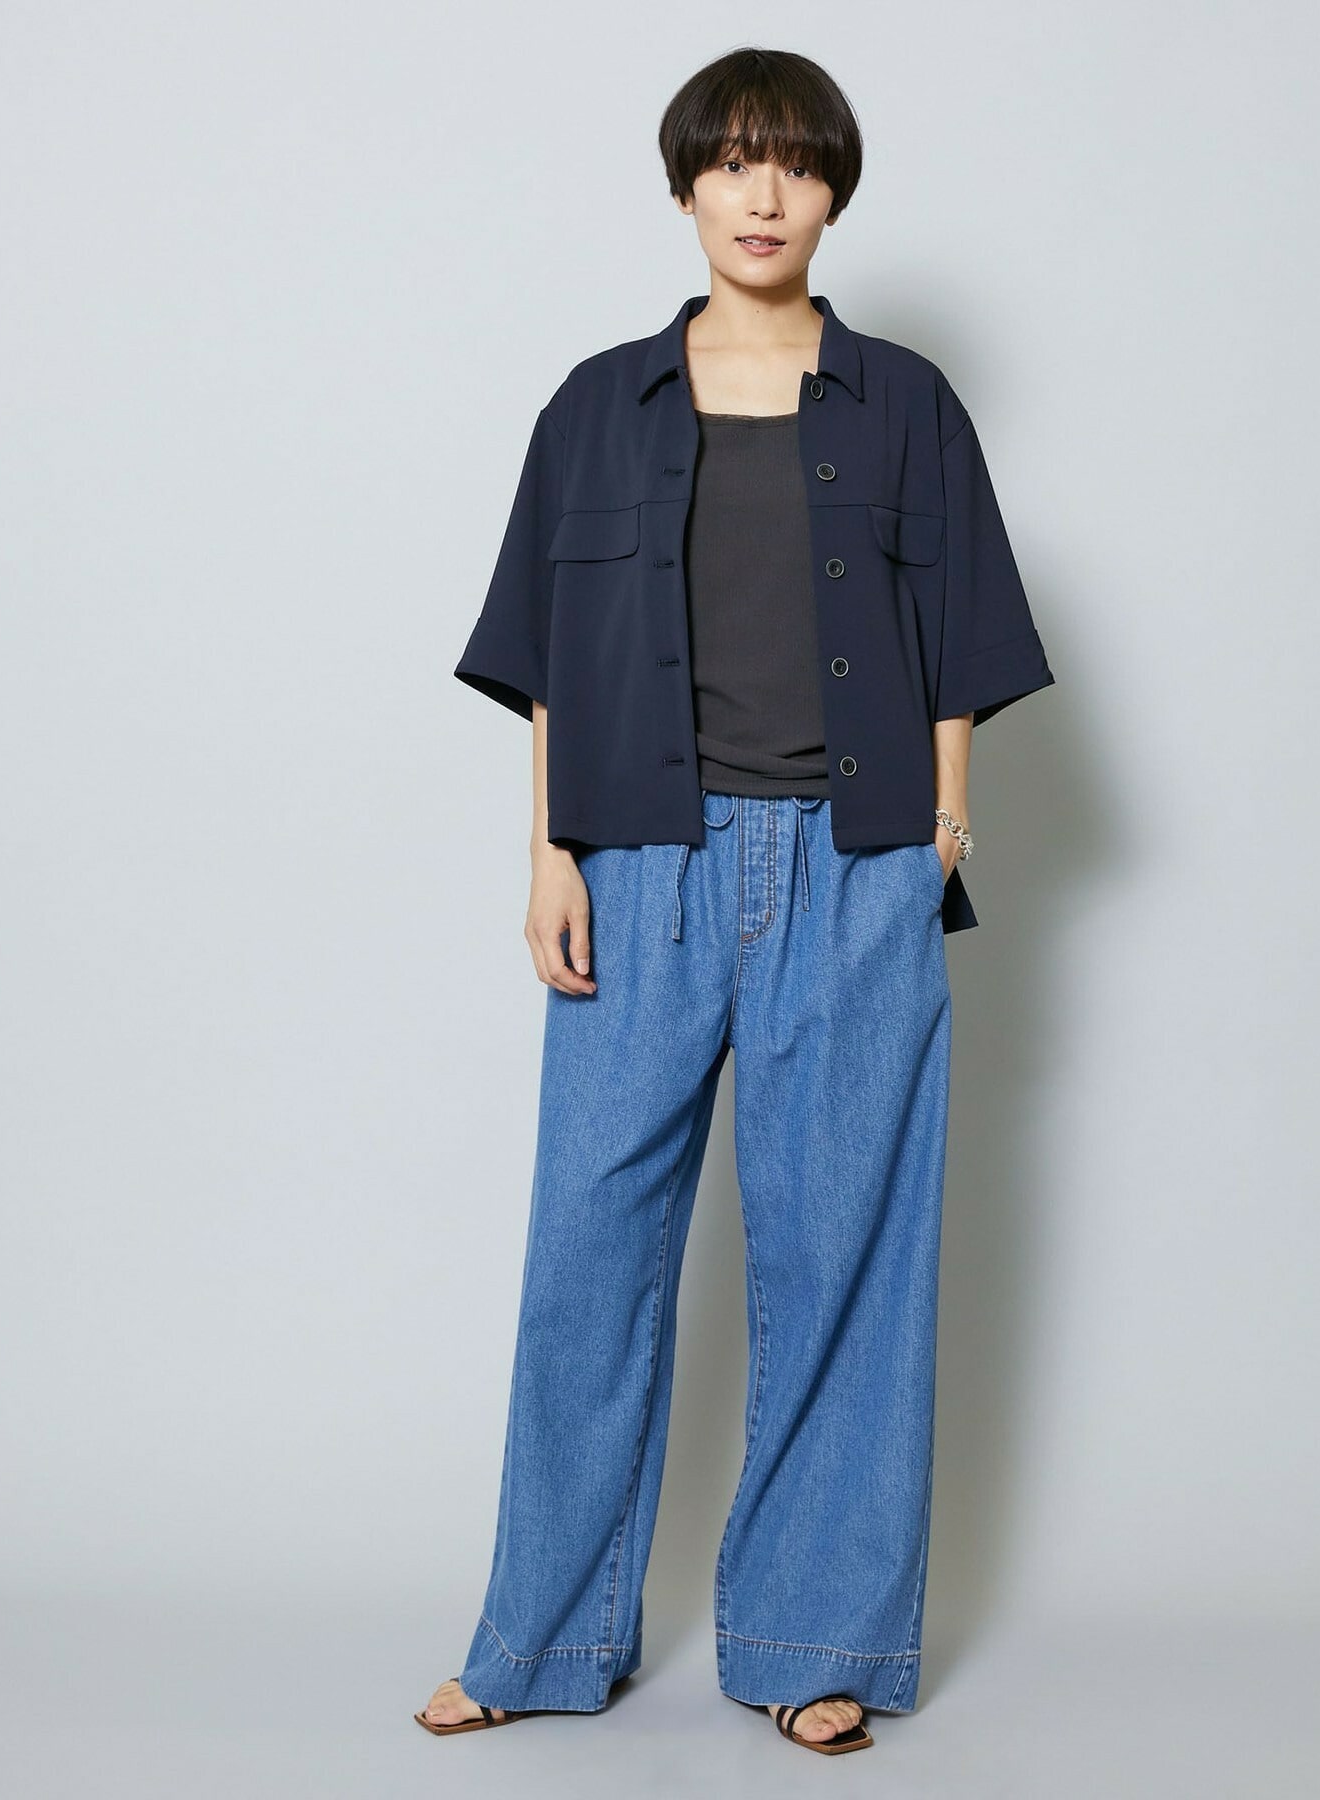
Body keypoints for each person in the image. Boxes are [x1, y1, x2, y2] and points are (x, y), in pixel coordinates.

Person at [416, 46, 1056, 1755]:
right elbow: (548, 656)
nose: (762, 195)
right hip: (641, 861)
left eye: (795, 164)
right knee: (589, 1256)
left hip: (854, 862)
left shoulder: (905, 404)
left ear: (833, 190)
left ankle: (813, 1640)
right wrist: (550, 853)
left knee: (844, 1253)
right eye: (732, 162)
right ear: (687, 185)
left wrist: (943, 828)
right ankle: (541, 1638)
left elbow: (964, 632)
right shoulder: (595, 406)